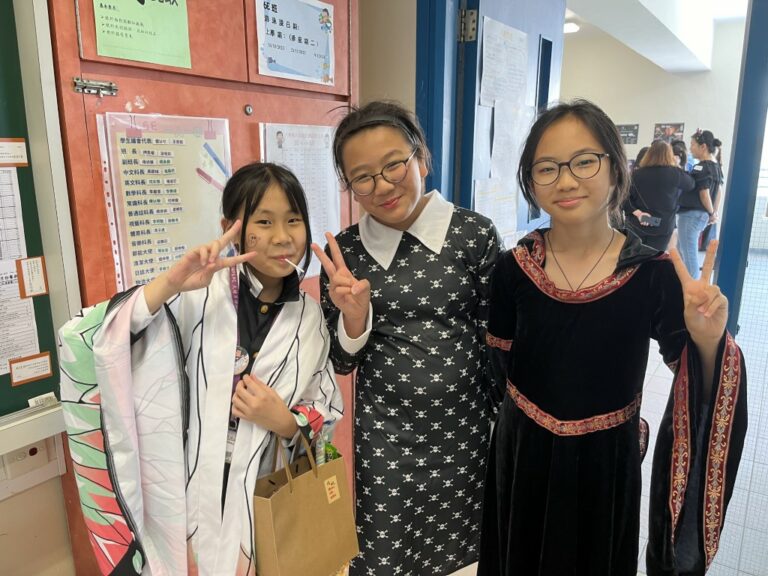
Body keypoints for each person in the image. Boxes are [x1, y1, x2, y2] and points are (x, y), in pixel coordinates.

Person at [477, 100, 746, 576]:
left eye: (584, 161)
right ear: (530, 181)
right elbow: (499, 368)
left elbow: (698, 382)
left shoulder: (652, 274)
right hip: (522, 458)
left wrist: (707, 339)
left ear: (617, 168)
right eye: (546, 168)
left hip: (604, 466)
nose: (565, 181)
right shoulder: (512, 269)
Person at [59, 163, 342, 575]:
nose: (283, 236)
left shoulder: (310, 318)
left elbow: (325, 406)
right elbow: (94, 340)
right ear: (230, 228)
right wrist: (168, 284)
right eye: (264, 221)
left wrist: (285, 421)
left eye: (294, 220)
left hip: (265, 494)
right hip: (187, 491)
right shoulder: (195, 295)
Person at [312, 100, 502, 575]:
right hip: (387, 440)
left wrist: (505, 426)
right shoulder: (345, 253)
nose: (382, 186)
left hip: (467, 432)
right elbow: (340, 362)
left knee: (469, 554)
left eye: (393, 164)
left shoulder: (474, 234)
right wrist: (354, 317)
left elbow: (497, 341)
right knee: (385, 555)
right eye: (362, 177)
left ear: (421, 158)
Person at [624, 140, 695, 250]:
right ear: (669, 155)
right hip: (662, 226)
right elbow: (691, 184)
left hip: (637, 224)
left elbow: (623, 199)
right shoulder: (675, 173)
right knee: (655, 257)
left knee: (634, 256)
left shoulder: (636, 174)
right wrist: (677, 165)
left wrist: (639, 214)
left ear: (649, 154)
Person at [676, 129, 723, 278]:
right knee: (682, 251)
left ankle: (694, 287)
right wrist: (714, 212)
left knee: (689, 256)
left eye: (693, 145)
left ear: (703, 147)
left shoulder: (701, 167)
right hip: (700, 216)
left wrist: (711, 212)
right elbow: (719, 192)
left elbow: (704, 193)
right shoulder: (716, 166)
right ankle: (682, 283)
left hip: (691, 216)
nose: (690, 148)